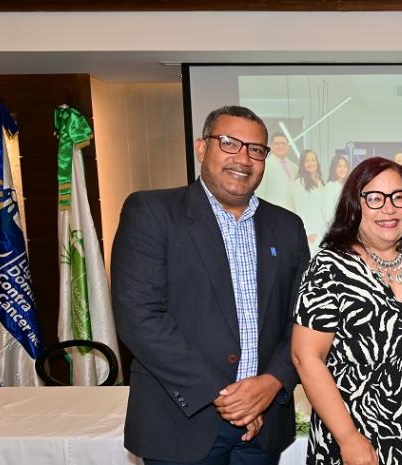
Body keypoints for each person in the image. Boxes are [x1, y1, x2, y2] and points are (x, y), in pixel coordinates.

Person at [112, 105, 309, 465]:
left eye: (256, 150)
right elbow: (139, 316)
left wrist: (272, 383)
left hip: (263, 426)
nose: (243, 158)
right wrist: (228, 399)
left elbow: (301, 319)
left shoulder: (288, 226)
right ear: (202, 148)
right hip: (182, 423)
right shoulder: (152, 212)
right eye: (230, 143)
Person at [292, 157, 402, 465]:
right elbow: (306, 357)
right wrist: (348, 437)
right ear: (354, 205)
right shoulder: (329, 267)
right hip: (355, 437)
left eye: (399, 197)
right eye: (374, 198)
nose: (388, 209)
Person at [292, 149, 327, 255]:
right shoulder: (299, 183)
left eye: (313, 160)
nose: (311, 163)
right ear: (303, 164)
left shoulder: (320, 180)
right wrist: (307, 232)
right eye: (307, 161)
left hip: (324, 229)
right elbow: (300, 209)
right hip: (312, 233)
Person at [256, 134, 298, 212]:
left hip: (293, 214)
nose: (280, 146)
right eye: (277, 144)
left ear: (288, 146)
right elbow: (259, 193)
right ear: (271, 146)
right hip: (272, 213)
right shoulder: (265, 165)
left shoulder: (295, 167)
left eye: (283, 144)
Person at [322, 155, 350, 227]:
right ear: (334, 168)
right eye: (339, 166)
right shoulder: (330, 186)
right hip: (337, 227)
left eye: (344, 166)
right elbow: (327, 211)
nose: (342, 169)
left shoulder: (349, 185)